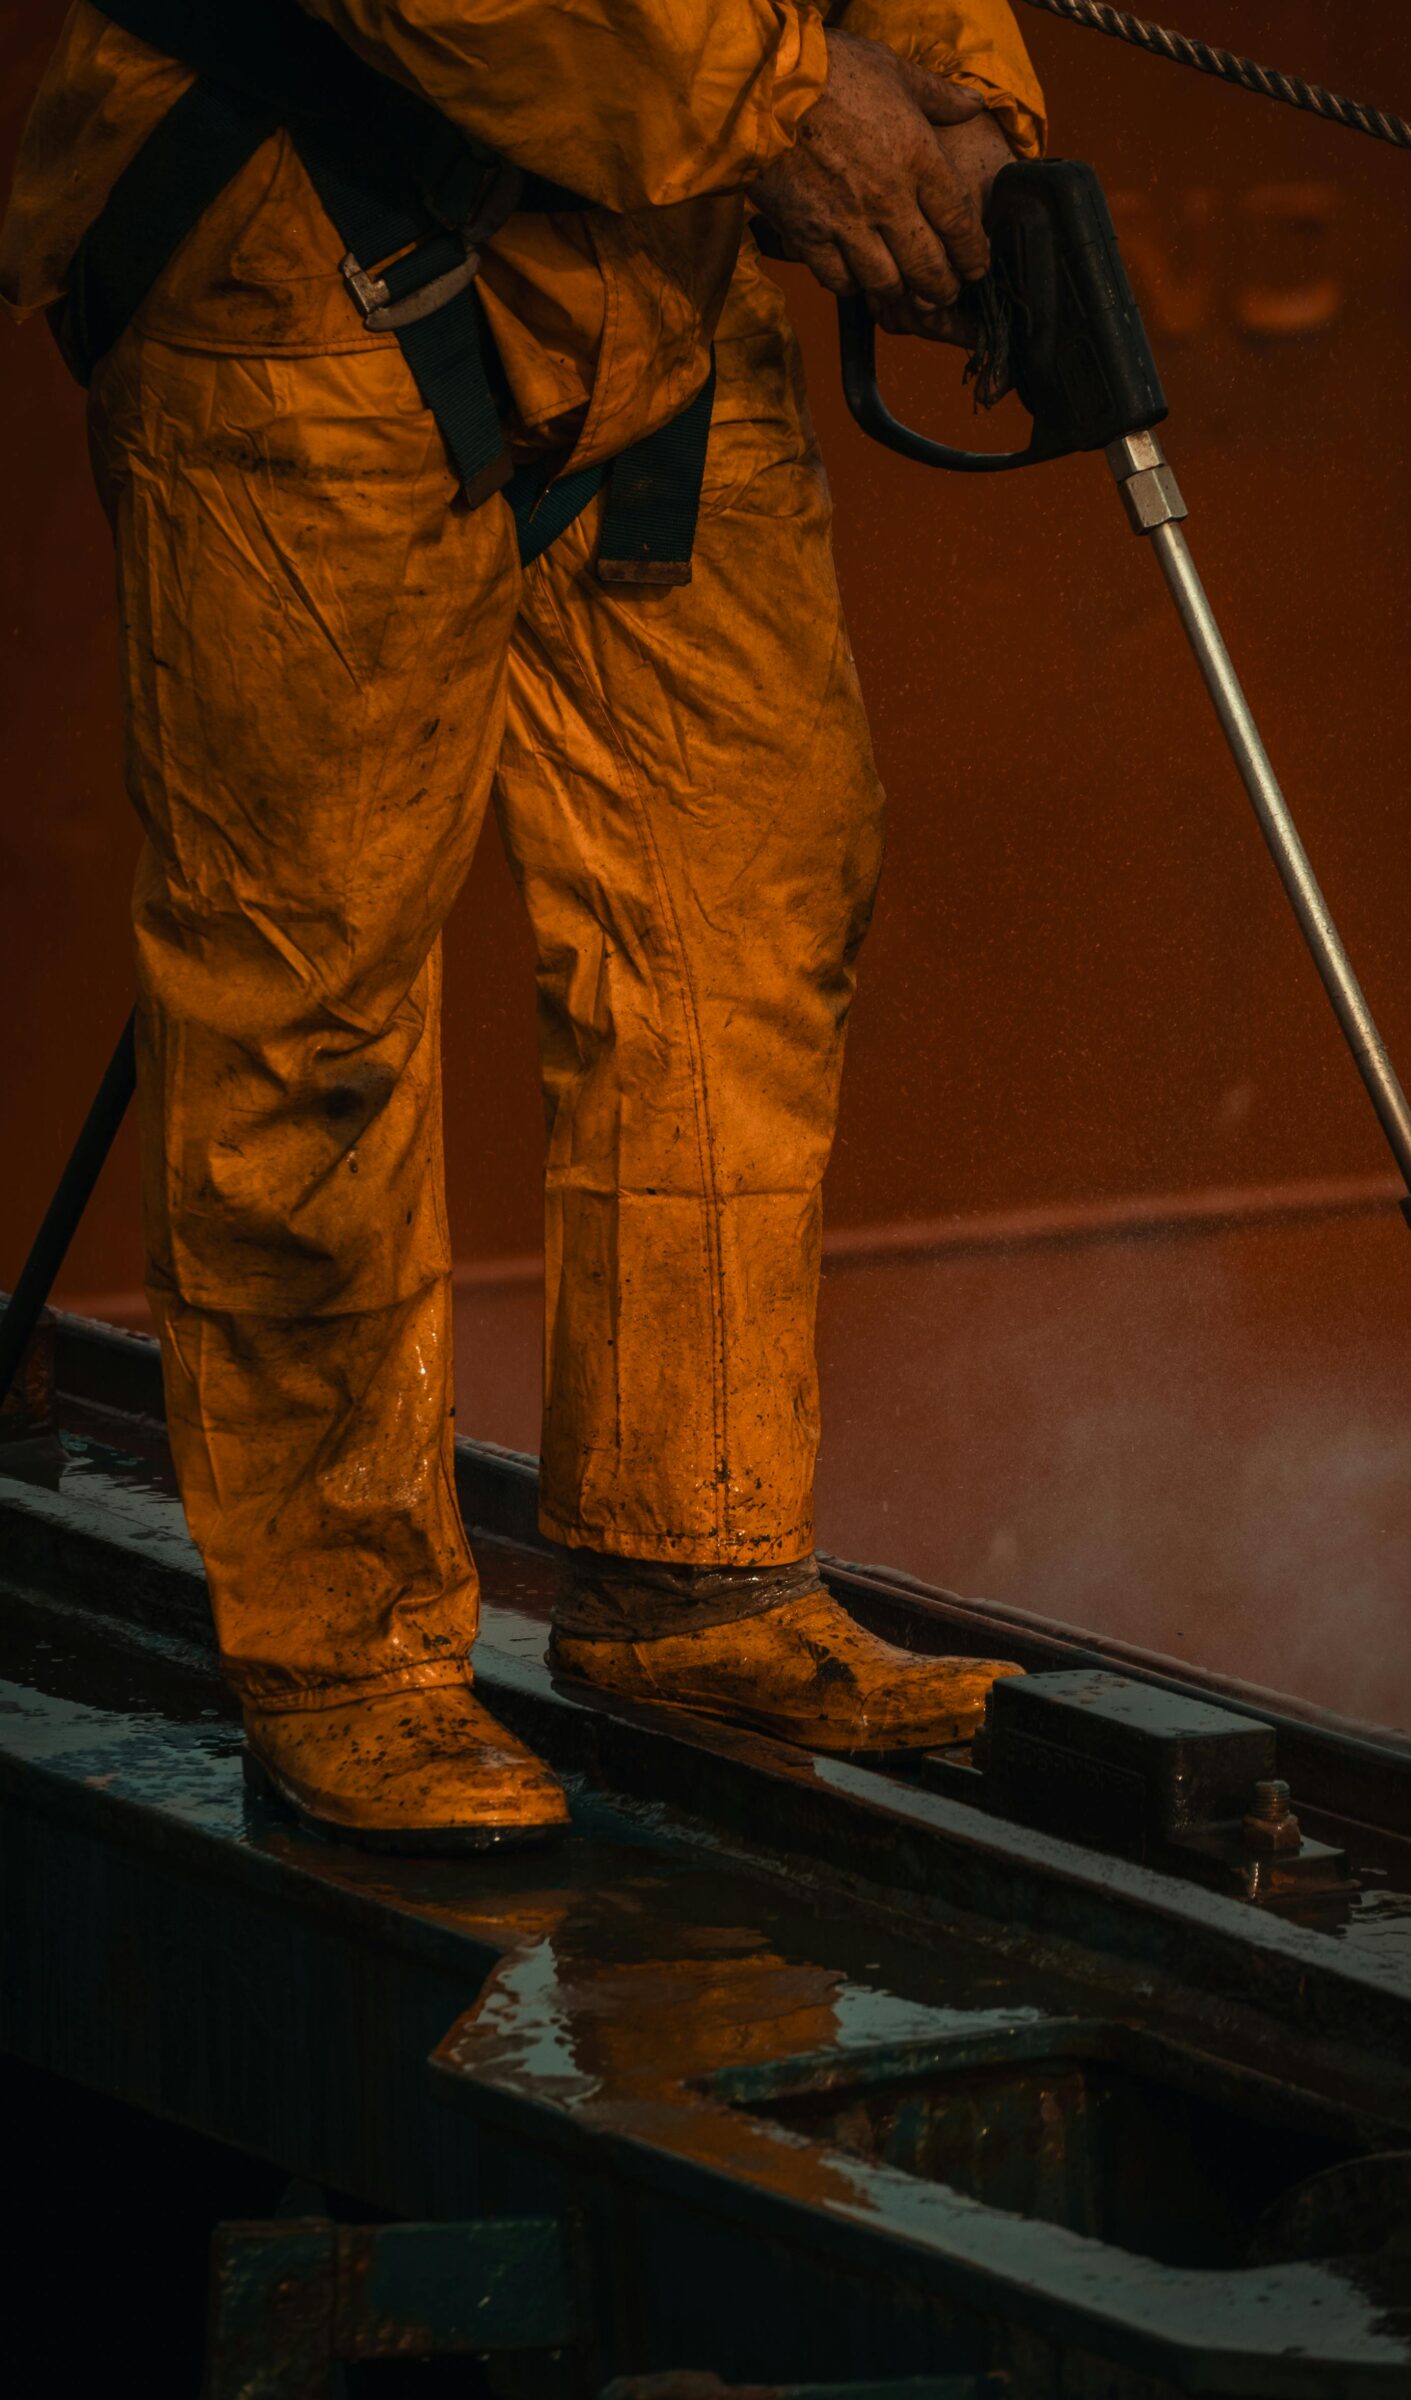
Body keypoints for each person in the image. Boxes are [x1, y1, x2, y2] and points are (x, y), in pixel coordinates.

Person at [1, 1, 1045, 1851]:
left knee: (744, 889)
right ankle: (346, 1658)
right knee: (309, 991)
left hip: (655, 261)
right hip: (302, 245)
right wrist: (780, 100)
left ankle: (691, 1574)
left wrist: (963, 103)